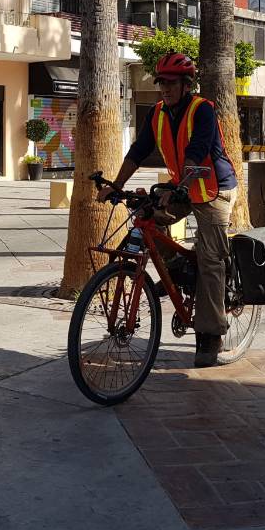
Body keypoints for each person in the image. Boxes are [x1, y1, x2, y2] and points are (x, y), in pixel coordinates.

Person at [98, 53, 238, 368]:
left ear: (187, 85)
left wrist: (181, 186)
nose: (165, 89)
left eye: (171, 83)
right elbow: (139, 150)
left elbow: (196, 150)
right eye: (161, 83)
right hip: (182, 186)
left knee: (210, 260)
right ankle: (176, 268)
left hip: (215, 189)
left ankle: (210, 334)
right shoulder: (157, 113)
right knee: (146, 218)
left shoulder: (202, 110)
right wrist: (116, 185)